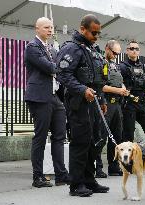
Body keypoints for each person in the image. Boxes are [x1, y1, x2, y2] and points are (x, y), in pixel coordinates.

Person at [56, 14, 109, 197]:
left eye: (98, 33)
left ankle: (89, 179)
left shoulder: (93, 49)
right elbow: (63, 74)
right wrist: (82, 89)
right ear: (82, 29)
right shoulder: (72, 48)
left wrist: (101, 100)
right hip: (79, 102)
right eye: (93, 32)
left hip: (93, 101)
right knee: (80, 142)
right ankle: (76, 184)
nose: (96, 36)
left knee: (95, 140)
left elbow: (98, 79)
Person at [24, 17, 69, 188]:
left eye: (51, 27)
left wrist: (60, 65)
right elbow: (51, 67)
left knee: (59, 136)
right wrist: (60, 65)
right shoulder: (32, 47)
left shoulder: (51, 48)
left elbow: (60, 68)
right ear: (37, 29)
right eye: (46, 27)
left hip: (54, 96)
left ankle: (61, 174)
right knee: (40, 137)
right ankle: (38, 176)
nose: (50, 30)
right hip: (39, 96)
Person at [95, 40, 128, 177]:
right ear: (107, 49)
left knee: (117, 137)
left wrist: (123, 89)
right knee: (102, 137)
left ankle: (114, 166)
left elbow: (120, 82)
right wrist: (118, 90)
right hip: (106, 103)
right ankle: (97, 167)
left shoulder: (115, 65)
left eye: (118, 53)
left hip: (117, 105)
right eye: (114, 52)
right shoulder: (100, 62)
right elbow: (100, 86)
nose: (115, 55)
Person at [120, 40, 145, 143]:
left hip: (142, 103)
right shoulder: (122, 66)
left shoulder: (143, 66)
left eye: (136, 49)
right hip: (129, 104)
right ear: (127, 51)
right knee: (128, 136)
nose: (134, 51)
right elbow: (119, 83)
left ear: (139, 51)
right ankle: (128, 159)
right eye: (132, 49)